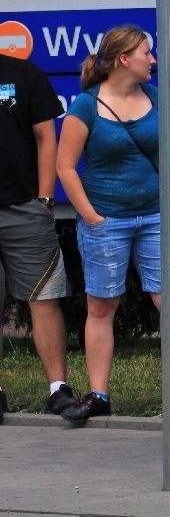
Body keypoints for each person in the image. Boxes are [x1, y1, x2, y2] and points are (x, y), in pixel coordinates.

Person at [54, 26, 170, 425]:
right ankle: (98, 395)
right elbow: (65, 167)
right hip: (106, 221)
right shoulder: (85, 107)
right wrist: (92, 216)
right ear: (125, 58)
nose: (154, 59)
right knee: (102, 305)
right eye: (148, 52)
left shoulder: (157, 98)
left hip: (156, 217)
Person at [0, 52, 78, 418]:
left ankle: (58, 389)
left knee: (44, 296)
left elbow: (47, 137)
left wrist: (45, 199)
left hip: (24, 208)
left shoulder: (23, 73)